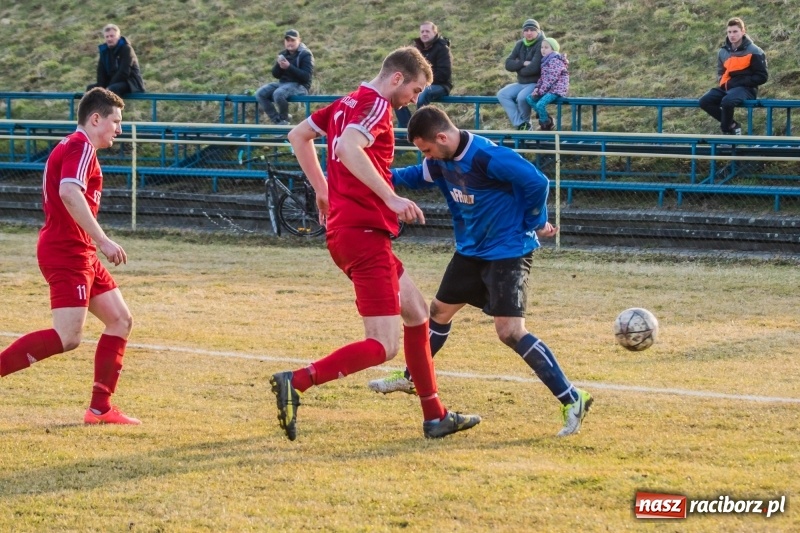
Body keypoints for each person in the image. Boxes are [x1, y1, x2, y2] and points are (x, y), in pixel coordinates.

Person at [272, 47, 481, 441]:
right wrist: (390, 197)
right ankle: (295, 381)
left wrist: (323, 190)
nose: (415, 101)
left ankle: (435, 416)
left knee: (418, 313)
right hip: (363, 233)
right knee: (383, 346)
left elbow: (298, 135)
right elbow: (348, 148)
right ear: (398, 78)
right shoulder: (375, 105)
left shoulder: (343, 103)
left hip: (354, 232)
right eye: (416, 90)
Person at [367, 106, 593, 437]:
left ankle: (573, 398)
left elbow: (536, 182)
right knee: (438, 313)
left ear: (442, 137)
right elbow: (411, 177)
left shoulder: (488, 157)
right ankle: (412, 378)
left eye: (427, 149)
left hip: (509, 251)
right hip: (471, 251)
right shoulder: (438, 162)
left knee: (510, 332)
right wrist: (364, 178)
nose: (426, 156)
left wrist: (534, 222)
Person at [0, 88, 139, 425]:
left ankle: (100, 409)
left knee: (120, 320)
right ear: (95, 119)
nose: (119, 129)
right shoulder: (80, 146)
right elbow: (68, 192)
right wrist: (103, 240)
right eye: (115, 121)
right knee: (68, 337)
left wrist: (94, 245)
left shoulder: (74, 146)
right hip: (67, 251)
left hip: (80, 251)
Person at [699, 17, 768, 135]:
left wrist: (742, 81)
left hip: (746, 89)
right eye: (729, 32)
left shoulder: (755, 51)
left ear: (743, 31)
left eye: (735, 31)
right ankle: (732, 125)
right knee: (704, 101)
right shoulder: (723, 52)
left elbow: (762, 76)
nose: (732, 35)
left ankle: (726, 132)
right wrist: (723, 82)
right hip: (727, 87)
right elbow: (720, 72)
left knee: (727, 101)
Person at [395, 21, 453, 128]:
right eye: (422, 31)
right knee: (397, 93)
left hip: (440, 85)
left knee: (423, 94)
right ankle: (406, 128)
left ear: (435, 33)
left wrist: (424, 82)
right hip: (420, 84)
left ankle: (420, 128)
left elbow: (444, 73)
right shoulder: (416, 49)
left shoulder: (442, 48)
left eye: (427, 31)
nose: (424, 34)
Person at [255, 29, 315, 126]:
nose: (290, 43)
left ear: (299, 40)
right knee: (260, 93)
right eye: (287, 40)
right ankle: (279, 121)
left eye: (293, 40)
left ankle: (284, 119)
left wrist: (289, 67)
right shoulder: (283, 54)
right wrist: (279, 66)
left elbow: (306, 77)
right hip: (283, 84)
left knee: (278, 93)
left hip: (300, 86)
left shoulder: (306, 54)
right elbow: (276, 75)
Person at [497, 18, 545, 130]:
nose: (529, 33)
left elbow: (534, 68)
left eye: (532, 30)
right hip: (521, 83)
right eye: (526, 30)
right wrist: (523, 63)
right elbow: (508, 64)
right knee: (502, 94)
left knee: (522, 98)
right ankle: (521, 124)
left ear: (538, 31)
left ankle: (526, 126)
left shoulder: (542, 44)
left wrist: (518, 68)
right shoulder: (519, 44)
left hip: (536, 83)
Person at [86, 24, 145, 97]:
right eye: (107, 37)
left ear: (118, 37)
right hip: (112, 82)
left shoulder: (126, 49)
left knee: (111, 89)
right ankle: (94, 108)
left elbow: (124, 72)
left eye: (112, 36)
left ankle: (109, 108)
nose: (109, 39)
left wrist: (108, 87)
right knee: (91, 89)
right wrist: (101, 87)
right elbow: (101, 71)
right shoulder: (104, 51)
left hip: (130, 82)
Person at [525, 37, 569, 131]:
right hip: (547, 89)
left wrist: (540, 92)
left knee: (540, 104)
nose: (543, 50)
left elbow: (550, 79)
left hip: (556, 90)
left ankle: (546, 125)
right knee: (529, 98)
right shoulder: (545, 61)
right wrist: (537, 88)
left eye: (546, 47)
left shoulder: (555, 61)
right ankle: (546, 118)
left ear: (553, 49)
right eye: (542, 47)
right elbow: (542, 78)